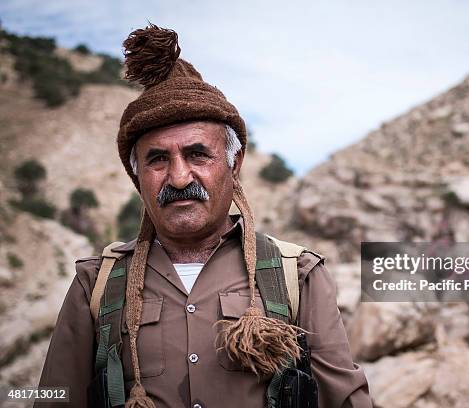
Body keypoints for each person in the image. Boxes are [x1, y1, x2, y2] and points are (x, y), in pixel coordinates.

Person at [34, 24, 371, 408]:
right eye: (158, 159)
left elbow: (345, 401)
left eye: (198, 155)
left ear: (234, 163)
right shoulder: (96, 283)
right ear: (137, 176)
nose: (179, 177)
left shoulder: (298, 275)